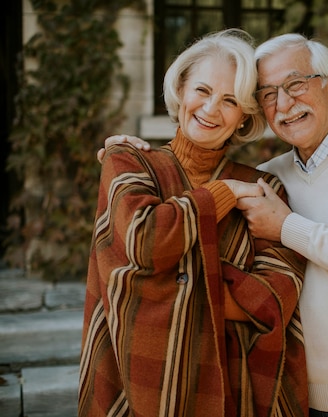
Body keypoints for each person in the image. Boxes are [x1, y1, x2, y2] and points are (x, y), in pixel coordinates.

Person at [101, 33, 328, 416]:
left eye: (296, 84)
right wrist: (130, 158)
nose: (284, 104)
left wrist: (285, 226)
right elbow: (134, 256)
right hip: (301, 396)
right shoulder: (266, 178)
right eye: (268, 94)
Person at [80, 29, 308, 417]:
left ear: (243, 117)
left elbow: (275, 298)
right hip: (140, 382)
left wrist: (160, 287)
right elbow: (146, 241)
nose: (211, 109)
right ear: (181, 89)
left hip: (235, 390)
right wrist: (225, 193)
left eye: (230, 100)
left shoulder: (265, 188)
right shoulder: (128, 162)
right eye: (202, 90)